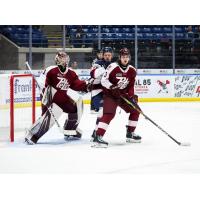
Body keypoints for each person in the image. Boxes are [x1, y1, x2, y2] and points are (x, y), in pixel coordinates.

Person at [25, 51, 92, 144]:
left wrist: (86, 86)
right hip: (51, 100)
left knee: (77, 104)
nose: (63, 60)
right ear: (57, 59)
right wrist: (44, 94)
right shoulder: (51, 70)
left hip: (64, 101)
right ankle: (32, 134)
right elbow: (42, 84)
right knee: (51, 115)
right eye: (61, 58)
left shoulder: (71, 73)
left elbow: (76, 84)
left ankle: (70, 130)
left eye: (65, 57)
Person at [92, 48, 141, 148]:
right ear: (119, 57)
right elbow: (104, 81)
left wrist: (131, 95)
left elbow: (131, 85)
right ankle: (98, 136)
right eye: (123, 57)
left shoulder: (132, 70)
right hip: (110, 95)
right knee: (109, 114)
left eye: (127, 57)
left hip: (122, 95)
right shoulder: (112, 66)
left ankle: (130, 133)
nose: (125, 59)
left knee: (136, 110)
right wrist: (112, 87)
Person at [90, 47, 113, 114]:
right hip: (98, 90)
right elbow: (93, 74)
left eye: (109, 55)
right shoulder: (98, 63)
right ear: (103, 55)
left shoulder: (113, 65)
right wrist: (103, 68)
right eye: (105, 55)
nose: (107, 57)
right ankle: (92, 107)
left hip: (108, 92)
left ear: (111, 56)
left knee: (107, 111)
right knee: (102, 109)